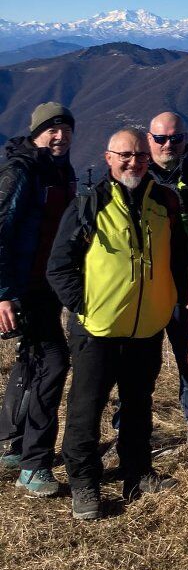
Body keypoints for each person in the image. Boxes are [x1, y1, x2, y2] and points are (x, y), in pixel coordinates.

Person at [47, 127, 188, 521]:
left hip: (146, 329)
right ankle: (85, 484)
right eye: (125, 155)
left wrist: (172, 298)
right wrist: (85, 307)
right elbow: (59, 267)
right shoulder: (88, 206)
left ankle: (137, 472)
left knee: (138, 405)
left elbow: (179, 259)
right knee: (85, 409)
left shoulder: (163, 202)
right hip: (97, 330)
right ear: (108, 157)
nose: (134, 162)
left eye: (141, 155)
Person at [0, 103, 77, 497]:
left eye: (65, 130)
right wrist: (5, 294)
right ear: (36, 133)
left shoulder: (59, 169)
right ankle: (35, 464)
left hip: (46, 285)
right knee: (54, 361)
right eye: (52, 130)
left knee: (31, 358)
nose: (60, 136)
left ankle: (12, 445)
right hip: (25, 286)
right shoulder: (22, 171)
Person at [147, 111, 188, 442]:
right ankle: (128, 425)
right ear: (150, 140)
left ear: (186, 139)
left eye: (176, 138)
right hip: (146, 288)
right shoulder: (136, 177)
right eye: (160, 139)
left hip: (187, 284)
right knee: (141, 363)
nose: (168, 144)